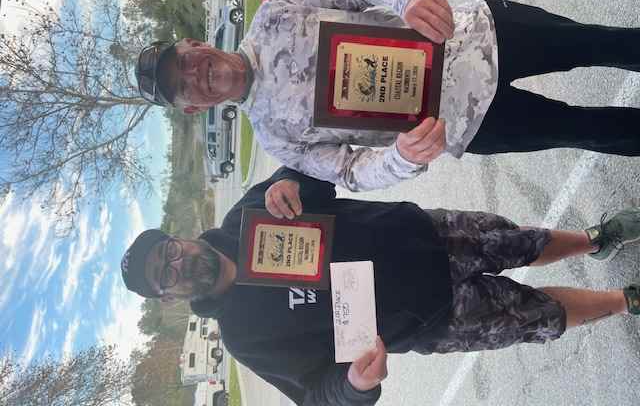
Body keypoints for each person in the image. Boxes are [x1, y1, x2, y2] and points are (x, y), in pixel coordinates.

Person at [121, 167, 640, 405]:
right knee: (540, 317)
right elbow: (316, 394)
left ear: (178, 238)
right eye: (164, 276)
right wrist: (355, 387)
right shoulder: (243, 338)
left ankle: (594, 241)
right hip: (435, 318)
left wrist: (293, 181)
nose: (177, 265)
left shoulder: (248, 215)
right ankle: (625, 301)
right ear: (169, 296)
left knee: (522, 242)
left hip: (424, 235)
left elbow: (321, 172)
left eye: (169, 252)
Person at [134, 0, 640, 193]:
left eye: (184, 60)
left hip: (479, 35)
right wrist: (400, 160)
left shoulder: (274, 15)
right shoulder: (275, 137)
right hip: (470, 123)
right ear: (193, 107)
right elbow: (350, 171)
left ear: (195, 44)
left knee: (606, 43)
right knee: (591, 131)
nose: (195, 73)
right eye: (182, 85)